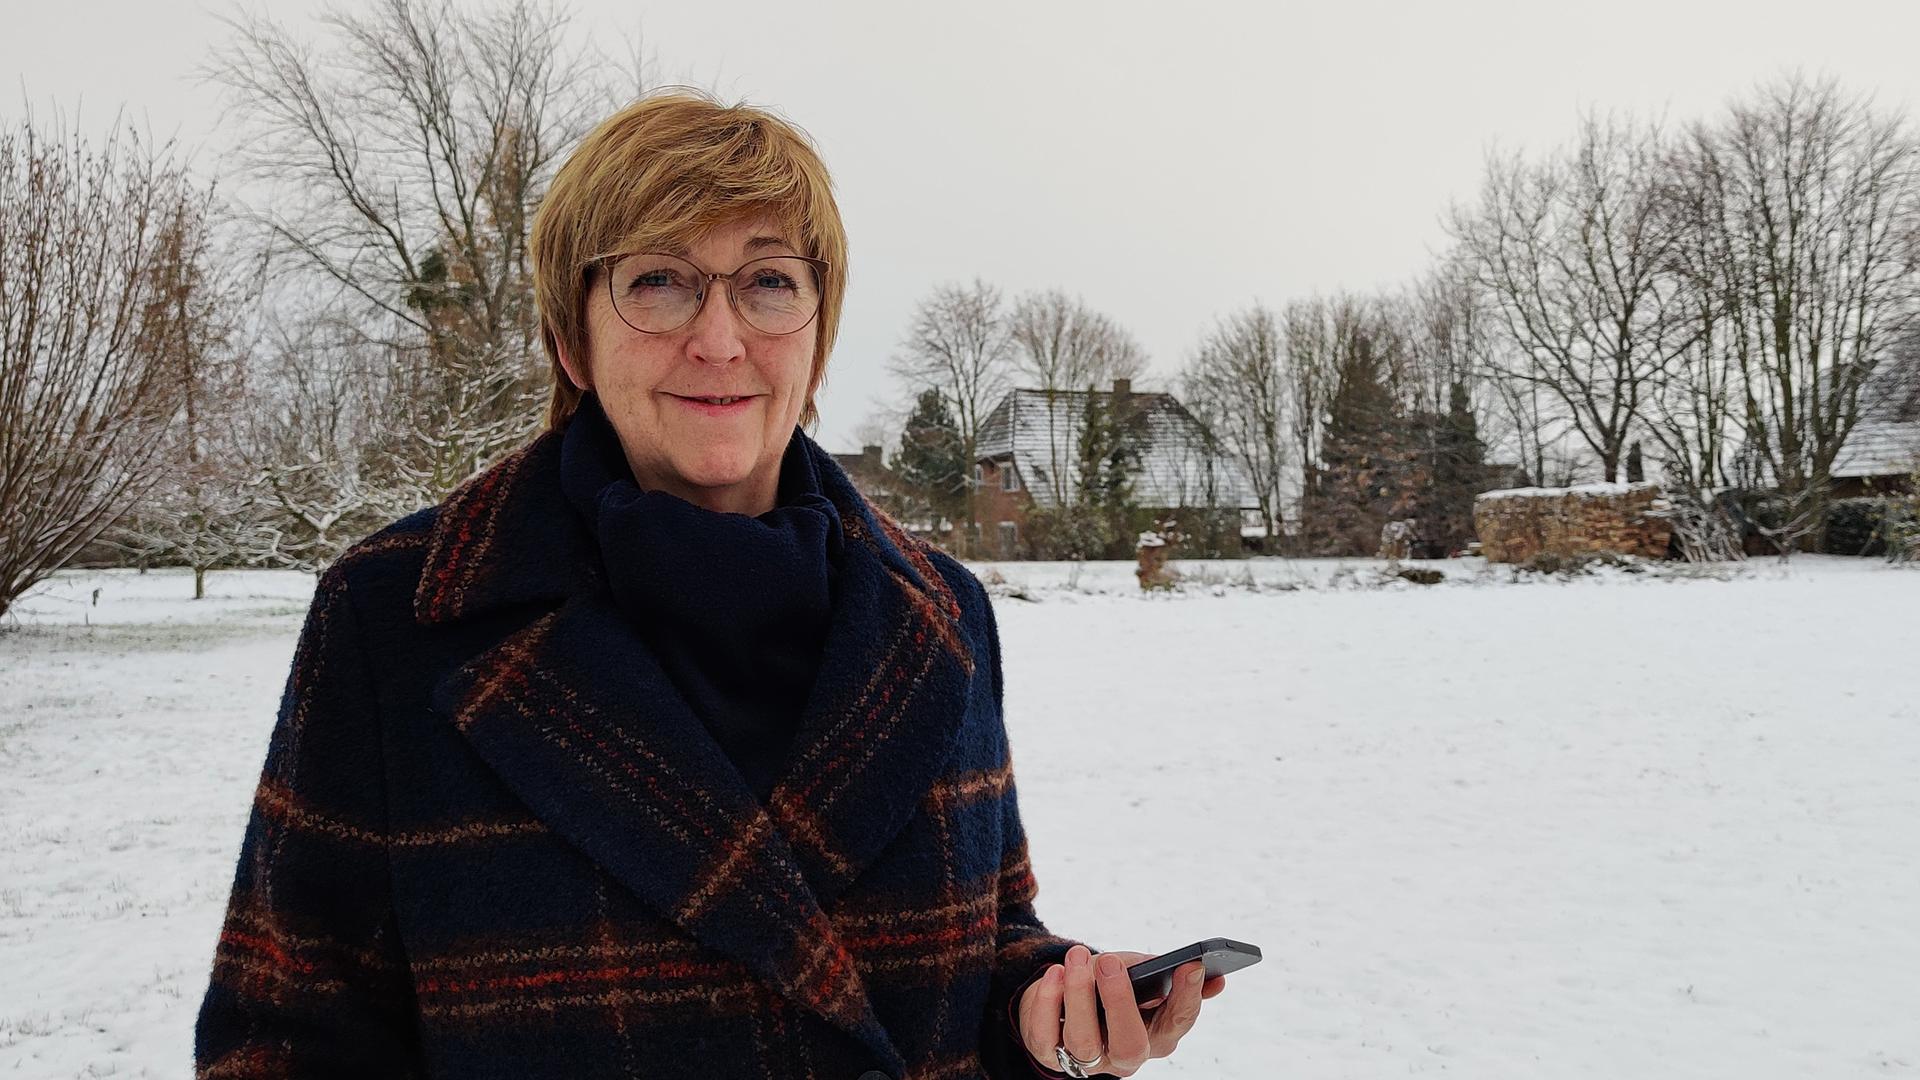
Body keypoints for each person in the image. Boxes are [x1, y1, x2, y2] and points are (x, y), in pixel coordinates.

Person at [193, 89, 1226, 1080]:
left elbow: (986, 936)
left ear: (819, 333)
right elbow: (283, 1044)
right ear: (571, 338)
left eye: (770, 282)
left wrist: (1045, 1015)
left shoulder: (943, 612)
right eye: (658, 281)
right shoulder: (398, 616)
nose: (722, 339)